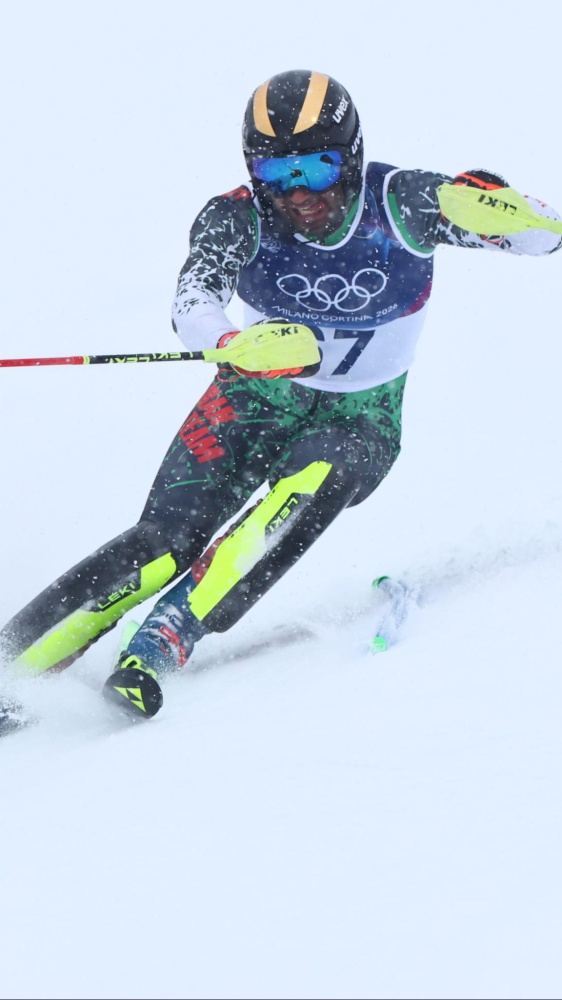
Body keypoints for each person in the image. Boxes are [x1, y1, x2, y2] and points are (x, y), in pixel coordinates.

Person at [1, 68, 560, 723]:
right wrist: (231, 343)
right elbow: (194, 299)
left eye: (318, 169)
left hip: (360, 415)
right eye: (277, 174)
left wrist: (501, 209)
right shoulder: (237, 216)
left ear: (349, 157)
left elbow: (545, 236)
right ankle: (16, 662)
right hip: (252, 397)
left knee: (312, 483)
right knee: (164, 543)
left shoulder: (403, 202)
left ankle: (158, 644)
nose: (299, 195)